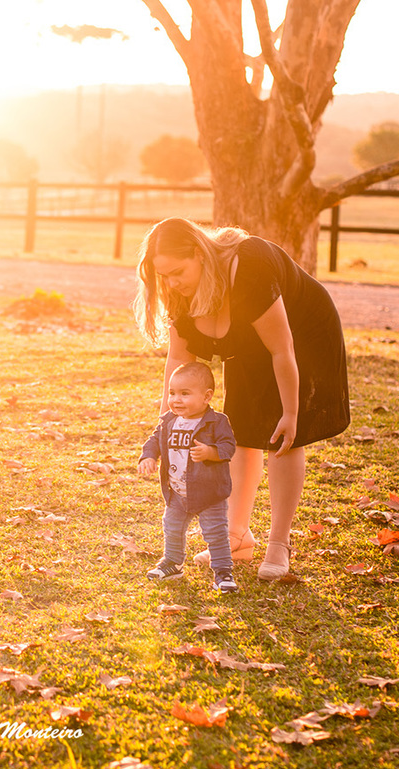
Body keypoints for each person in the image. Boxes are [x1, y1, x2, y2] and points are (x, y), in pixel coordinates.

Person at [135, 218, 350, 582]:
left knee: (281, 435)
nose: (171, 283)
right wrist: (166, 422)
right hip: (248, 339)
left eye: (177, 272)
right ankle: (237, 536)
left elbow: (282, 349)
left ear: (200, 254)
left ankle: (279, 543)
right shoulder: (179, 292)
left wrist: (291, 411)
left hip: (302, 335)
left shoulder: (248, 266)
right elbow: (179, 360)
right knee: (242, 428)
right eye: (163, 275)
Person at [139, 361, 238, 593]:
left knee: (215, 532)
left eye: (185, 394)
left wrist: (211, 453)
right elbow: (154, 440)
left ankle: (223, 572)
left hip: (208, 492)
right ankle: (173, 562)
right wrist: (148, 457)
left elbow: (229, 446)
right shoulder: (168, 421)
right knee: (172, 527)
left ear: (206, 397)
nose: (176, 399)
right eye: (172, 393)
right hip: (177, 491)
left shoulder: (217, 422)